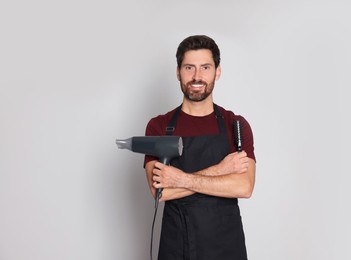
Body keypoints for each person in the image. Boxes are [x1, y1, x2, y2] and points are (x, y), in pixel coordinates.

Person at [144, 35, 256, 260]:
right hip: (177, 246)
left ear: (217, 72)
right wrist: (221, 170)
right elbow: (160, 192)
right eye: (189, 67)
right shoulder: (159, 126)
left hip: (226, 248)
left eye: (205, 67)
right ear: (178, 72)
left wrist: (179, 179)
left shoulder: (235, 125)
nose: (197, 76)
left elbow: (244, 187)